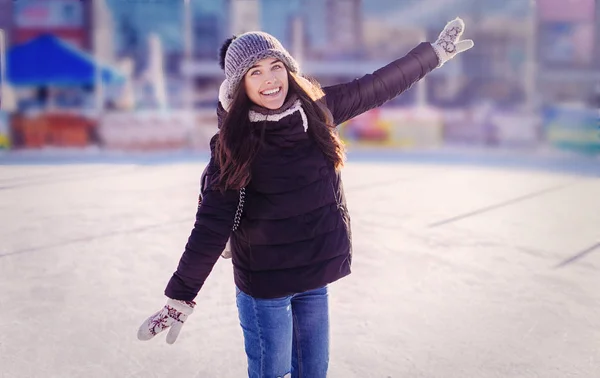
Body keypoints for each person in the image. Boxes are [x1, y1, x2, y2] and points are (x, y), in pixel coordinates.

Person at [137, 17, 474, 378]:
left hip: (313, 279)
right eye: (255, 72)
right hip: (265, 290)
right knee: (271, 373)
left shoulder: (317, 111)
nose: (270, 80)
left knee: (313, 372)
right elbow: (211, 225)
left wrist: (434, 54)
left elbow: (376, 86)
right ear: (238, 86)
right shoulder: (233, 144)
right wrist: (181, 296)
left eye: (276, 66)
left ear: (289, 69)